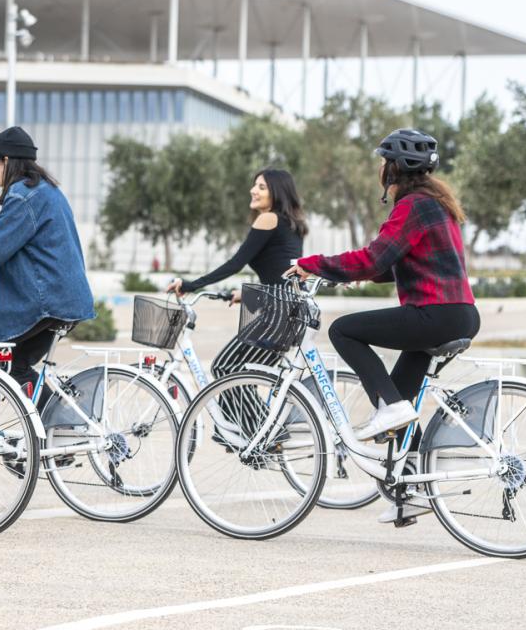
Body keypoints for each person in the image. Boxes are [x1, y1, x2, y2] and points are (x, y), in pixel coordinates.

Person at [286, 128, 480, 518]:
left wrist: (312, 264)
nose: (380, 167)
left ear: (394, 167)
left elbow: (376, 256)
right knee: (400, 401)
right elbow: (404, 262)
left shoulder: (413, 207)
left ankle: (390, 409)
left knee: (343, 330)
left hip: (435, 314)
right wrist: (361, 275)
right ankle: (409, 495)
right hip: (456, 312)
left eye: (382, 161)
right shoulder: (436, 203)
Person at [0, 126, 95, 393]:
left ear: (7, 161)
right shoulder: (47, 190)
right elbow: (38, 250)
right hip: (67, 299)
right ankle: (61, 423)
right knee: (17, 366)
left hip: (49, 302)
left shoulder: (23, 196)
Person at [166, 168, 306, 380]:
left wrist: (190, 285)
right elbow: (282, 274)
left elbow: (235, 264)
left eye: (261, 187)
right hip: (292, 310)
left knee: (225, 368)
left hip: (278, 312)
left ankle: (256, 414)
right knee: (242, 376)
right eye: (254, 185)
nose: (253, 191)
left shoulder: (269, 219)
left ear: (277, 192)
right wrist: (250, 294)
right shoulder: (291, 223)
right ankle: (260, 415)